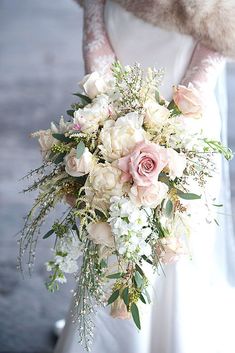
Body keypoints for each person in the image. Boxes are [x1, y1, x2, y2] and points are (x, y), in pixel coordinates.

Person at [54, 1, 235, 352]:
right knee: (110, 217)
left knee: (176, 228)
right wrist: (96, 48)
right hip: (119, 46)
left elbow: (224, 19)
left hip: (183, 79)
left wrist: (181, 117)